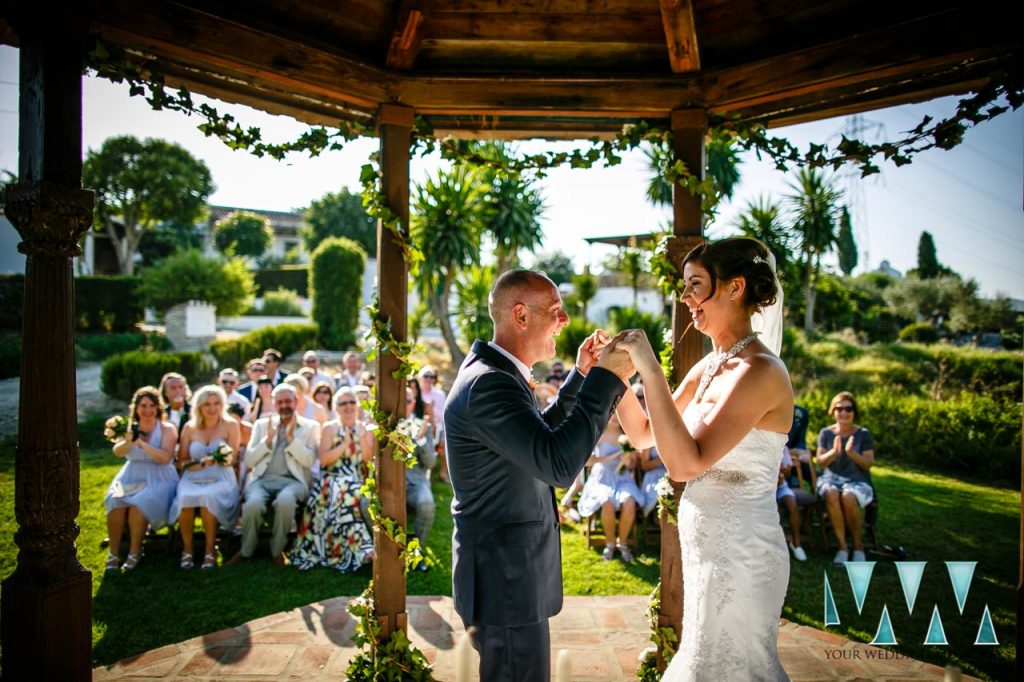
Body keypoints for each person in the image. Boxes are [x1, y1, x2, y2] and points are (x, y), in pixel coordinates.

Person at [611, 236, 793, 681]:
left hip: (743, 551)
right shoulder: (708, 367)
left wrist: (650, 367)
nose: (685, 297)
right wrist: (610, 375)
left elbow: (686, 464)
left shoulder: (761, 371)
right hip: (705, 545)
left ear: (734, 288)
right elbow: (643, 435)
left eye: (695, 284)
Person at [446, 269, 631, 682]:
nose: (565, 319)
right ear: (521, 315)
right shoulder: (490, 384)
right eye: (555, 310)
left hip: (507, 575)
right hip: (504, 580)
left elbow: (536, 437)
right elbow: (558, 463)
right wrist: (607, 379)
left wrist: (581, 375)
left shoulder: (496, 374)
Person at [229, 383, 320, 567]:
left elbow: (309, 461)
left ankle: (277, 550)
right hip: (262, 480)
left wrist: (291, 438)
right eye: (280, 402)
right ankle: (246, 550)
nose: (284, 405)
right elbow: (251, 460)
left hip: (294, 481)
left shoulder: (310, 427)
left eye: (288, 401)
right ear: (273, 403)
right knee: (253, 504)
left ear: (296, 401)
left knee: (285, 502)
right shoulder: (262, 425)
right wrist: (268, 440)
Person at [290, 387, 376, 571]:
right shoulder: (330, 428)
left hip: (357, 479)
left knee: (348, 491)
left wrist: (360, 438)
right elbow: (324, 460)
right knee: (343, 491)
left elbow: (368, 459)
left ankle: (356, 549)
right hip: (332, 479)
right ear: (336, 407)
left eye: (352, 402)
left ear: (358, 405)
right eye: (343, 403)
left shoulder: (365, 429)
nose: (348, 407)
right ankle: (362, 550)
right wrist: (344, 444)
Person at [103, 386, 179, 571]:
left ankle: (135, 551)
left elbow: (165, 457)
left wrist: (142, 444)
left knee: (139, 504)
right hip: (132, 474)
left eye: (152, 406)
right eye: (143, 405)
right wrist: (129, 440)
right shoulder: (128, 427)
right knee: (115, 501)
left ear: (158, 408)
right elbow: (117, 451)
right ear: (136, 408)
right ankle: (113, 553)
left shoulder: (167, 428)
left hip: (160, 476)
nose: (147, 410)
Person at [170, 385, 241, 569]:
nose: (212, 408)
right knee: (185, 497)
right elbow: (181, 460)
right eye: (207, 404)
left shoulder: (231, 425)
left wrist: (220, 459)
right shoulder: (189, 427)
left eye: (217, 403)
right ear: (199, 406)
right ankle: (188, 550)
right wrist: (198, 464)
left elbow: (233, 457)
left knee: (208, 497)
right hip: (193, 475)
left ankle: (210, 549)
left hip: (221, 476)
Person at [816, 391, 876, 566]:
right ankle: (842, 547)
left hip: (858, 480)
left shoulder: (864, 434)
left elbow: (868, 464)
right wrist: (834, 452)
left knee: (848, 496)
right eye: (839, 408)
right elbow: (820, 463)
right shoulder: (826, 433)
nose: (843, 412)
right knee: (831, 492)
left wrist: (851, 453)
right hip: (831, 478)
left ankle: (858, 546)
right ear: (833, 411)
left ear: (854, 411)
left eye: (848, 408)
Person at [575, 414, 642, 562]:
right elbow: (587, 462)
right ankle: (610, 543)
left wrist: (627, 461)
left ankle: (623, 543)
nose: (616, 418)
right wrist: (609, 458)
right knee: (607, 503)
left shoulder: (627, 435)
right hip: (602, 477)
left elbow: (632, 466)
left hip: (623, 478)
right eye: (614, 414)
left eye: (620, 414)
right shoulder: (598, 433)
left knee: (629, 502)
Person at [402, 387, 436, 571]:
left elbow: (430, 463)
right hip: (389, 483)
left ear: (413, 403)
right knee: (367, 502)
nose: (404, 405)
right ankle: (382, 550)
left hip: (416, 481)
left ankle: (416, 552)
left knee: (427, 504)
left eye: (407, 401)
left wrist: (421, 439)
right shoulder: (382, 425)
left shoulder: (422, 426)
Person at [776, 445, 807, 561]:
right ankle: (776, 544)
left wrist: (785, 472)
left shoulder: (784, 447)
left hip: (782, 485)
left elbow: (788, 473)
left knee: (792, 503)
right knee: (772, 508)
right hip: (765, 487)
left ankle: (796, 543)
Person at [418, 365, 448, 482]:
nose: (429, 379)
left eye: (432, 377)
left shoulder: (440, 394)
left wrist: (431, 408)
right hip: (421, 426)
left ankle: (443, 473)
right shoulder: (417, 392)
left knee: (445, 444)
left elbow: (442, 415)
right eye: (426, 376)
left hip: (438, 427)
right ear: (420, 377)